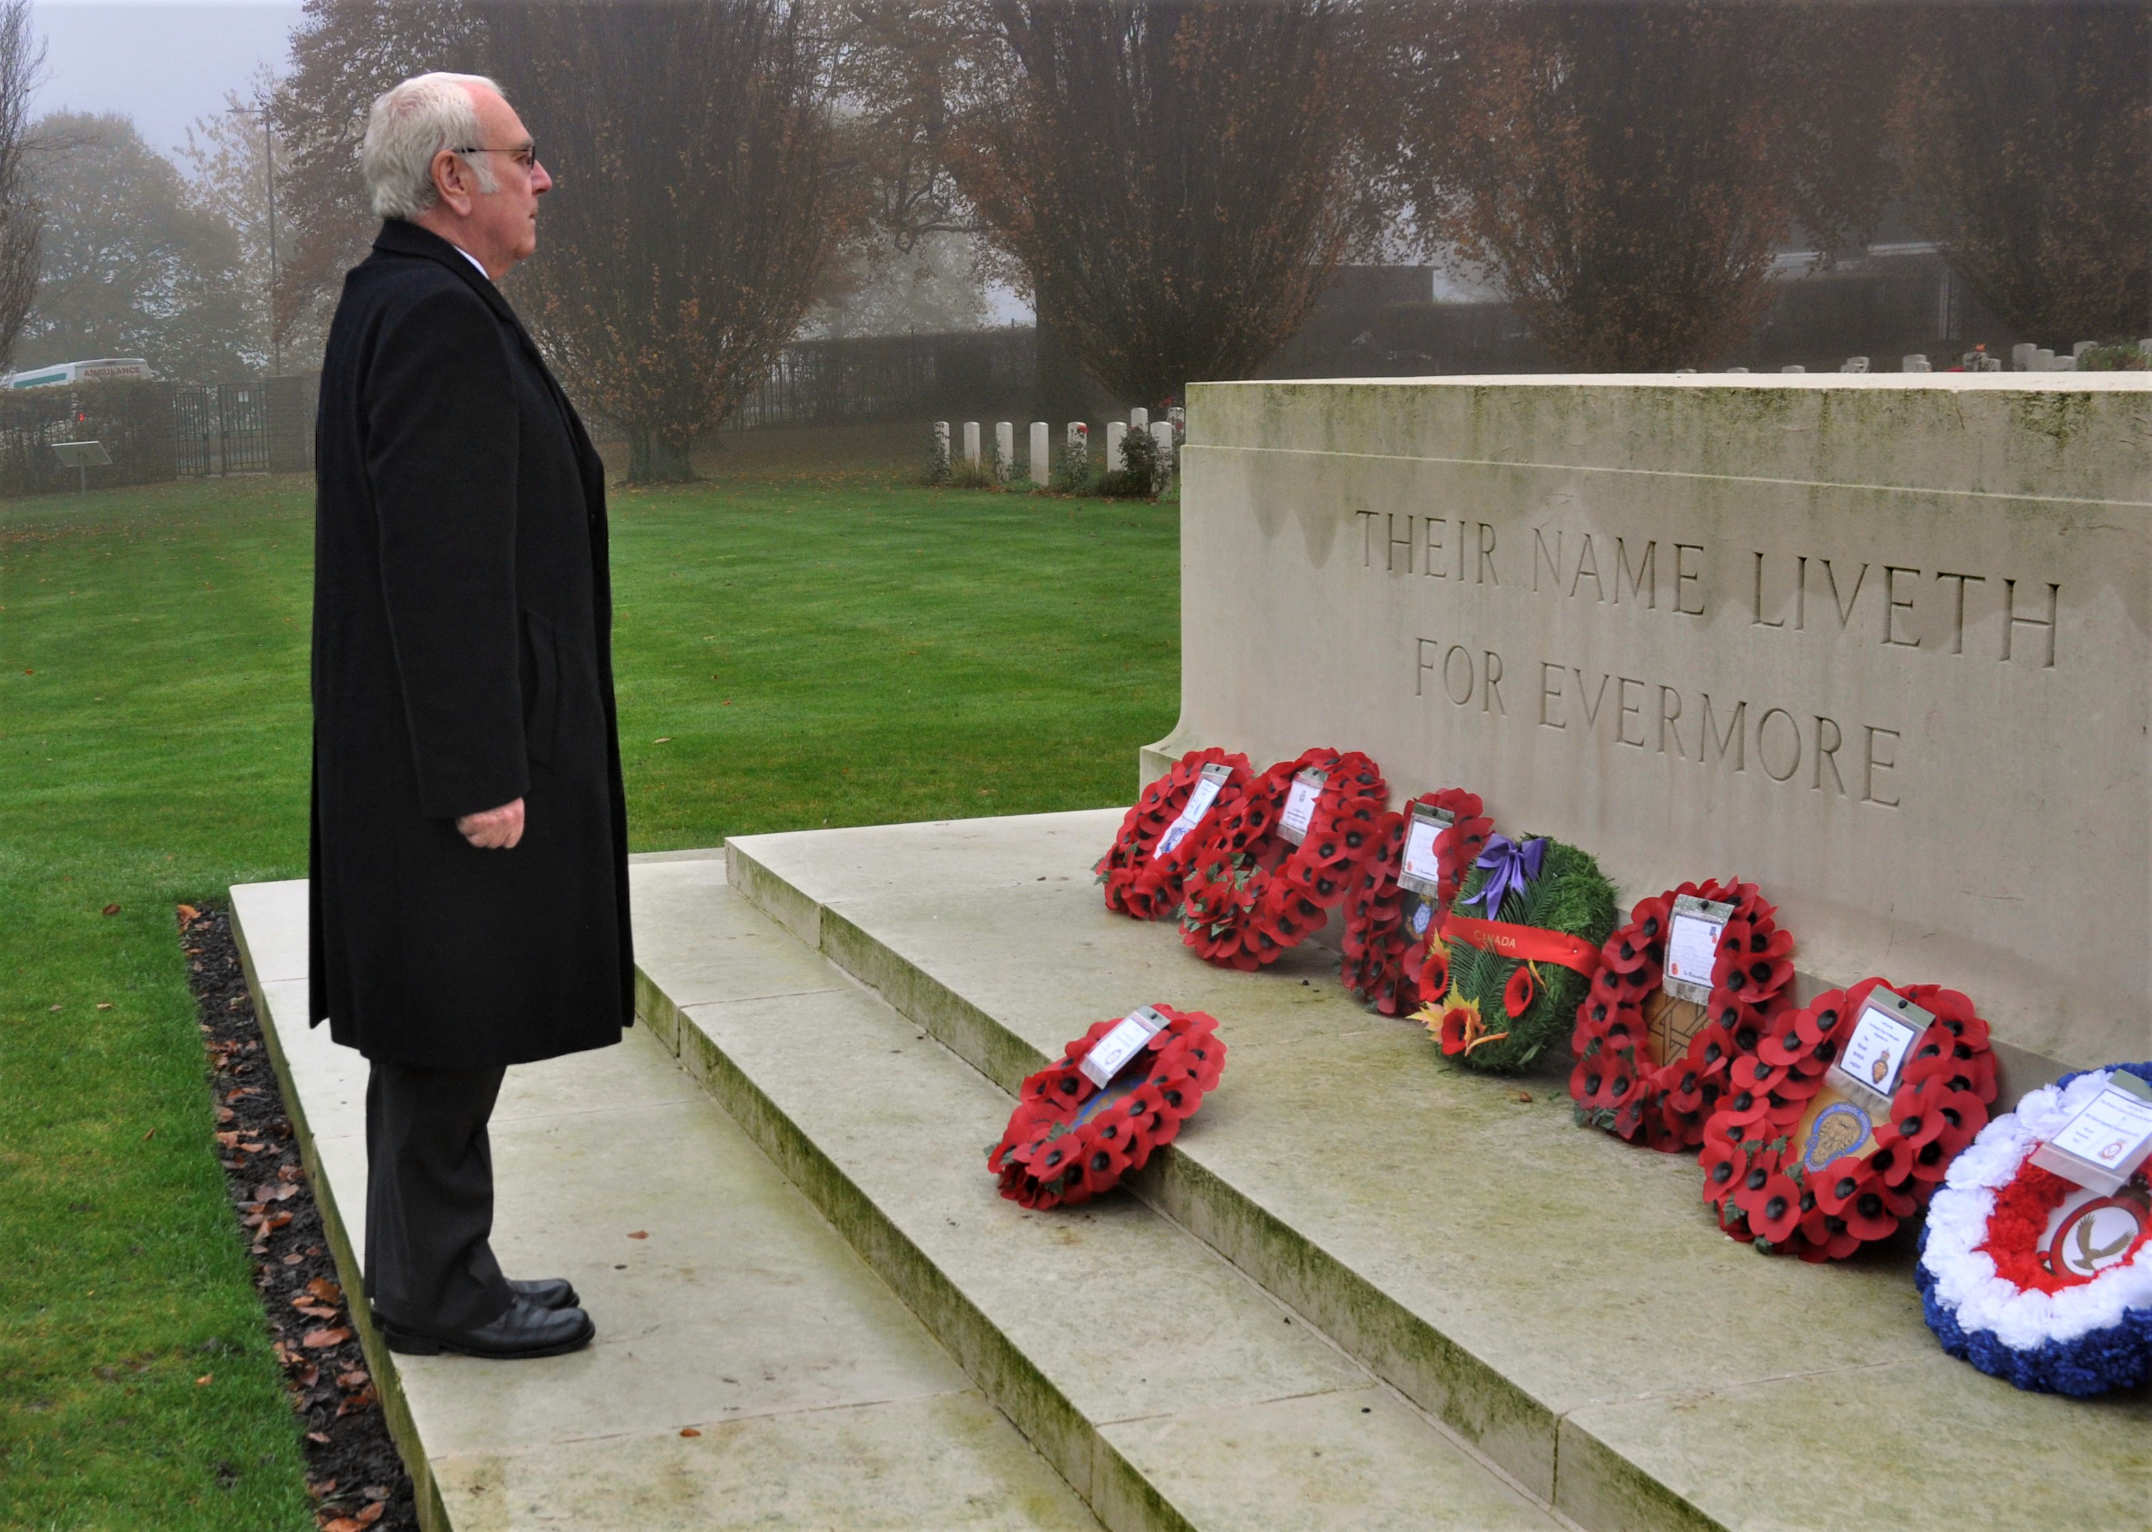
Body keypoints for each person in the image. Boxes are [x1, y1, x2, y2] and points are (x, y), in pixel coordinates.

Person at [308, 71, 632, 1360]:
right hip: (455, 758)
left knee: (445, 1013)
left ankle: (436, 1272)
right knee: (450, 1010)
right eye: (524, 153)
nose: (543, 176)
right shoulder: (433, 317)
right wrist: (482, 774)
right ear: (458, 176)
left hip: (430, 746)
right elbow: (442, 571)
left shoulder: (412, 298)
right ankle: (442, 1292)